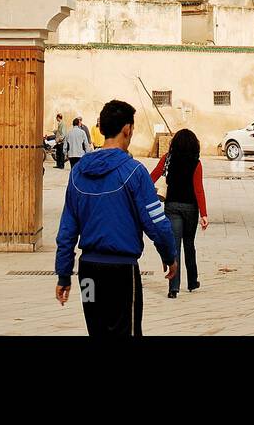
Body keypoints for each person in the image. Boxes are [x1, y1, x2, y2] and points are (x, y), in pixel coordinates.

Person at [55, 99, 178, 337]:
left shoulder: (78, 172)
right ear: (127, 129)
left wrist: (63, 273)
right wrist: (169, 255)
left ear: (101, 129)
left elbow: (67, 230)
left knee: (96, 330)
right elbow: (157, 222)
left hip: (87, 275)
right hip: (121, 274)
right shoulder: (134, 171)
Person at [150, 128, 209, 298]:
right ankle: (192, 281)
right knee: (189, 244)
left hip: (172, 207)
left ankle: (173, 288)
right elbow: (198, 189)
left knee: (174, 246)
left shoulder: (167, 159)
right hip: (191, 208)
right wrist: (204, 214)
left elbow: (151, 177)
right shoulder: (196, 163)